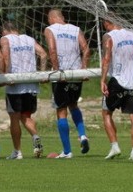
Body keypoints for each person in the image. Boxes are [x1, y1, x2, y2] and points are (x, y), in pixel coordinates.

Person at [100, 15, 133, 161]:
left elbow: (106, 58)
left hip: (117, 81)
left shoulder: (108, 36)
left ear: (108, 23)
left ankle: (115, 146)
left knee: (106, 113)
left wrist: (103, 80)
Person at [44, 8, 91, 158]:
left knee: (61, 110)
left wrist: (57, 71)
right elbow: (86, 50)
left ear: (50, 19)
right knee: (74, 105)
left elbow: (52, 49)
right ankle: (82, 135)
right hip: (76, 74)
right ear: (62, 17)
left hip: (62, 75)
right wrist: (83, 70)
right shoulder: (75, 29)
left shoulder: (50, 29)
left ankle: (67, 151)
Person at [0, 22, 48, 160]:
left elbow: (6, 57)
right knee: (26, 116)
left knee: (14, 118)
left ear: (5, 30)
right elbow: (43, 54)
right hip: (31, 84)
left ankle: (17, 152)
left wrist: (6, 75)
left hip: (15, 84)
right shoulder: (29, 39)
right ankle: (36, 137)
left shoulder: (6, 39)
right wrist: (42, 74)